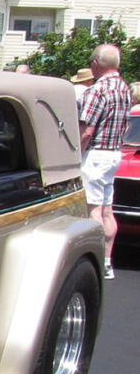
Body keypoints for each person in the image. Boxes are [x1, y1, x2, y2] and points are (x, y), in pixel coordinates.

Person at [78, 43, 131, 279]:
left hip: (96, 154)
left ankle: (96, 260)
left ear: (96, 64)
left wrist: (76, 155)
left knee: (93, 209)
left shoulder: (97, 91)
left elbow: (86, 130)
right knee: (108, 210)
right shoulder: (125, 89)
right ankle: (108, 261)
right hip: (114, 153)